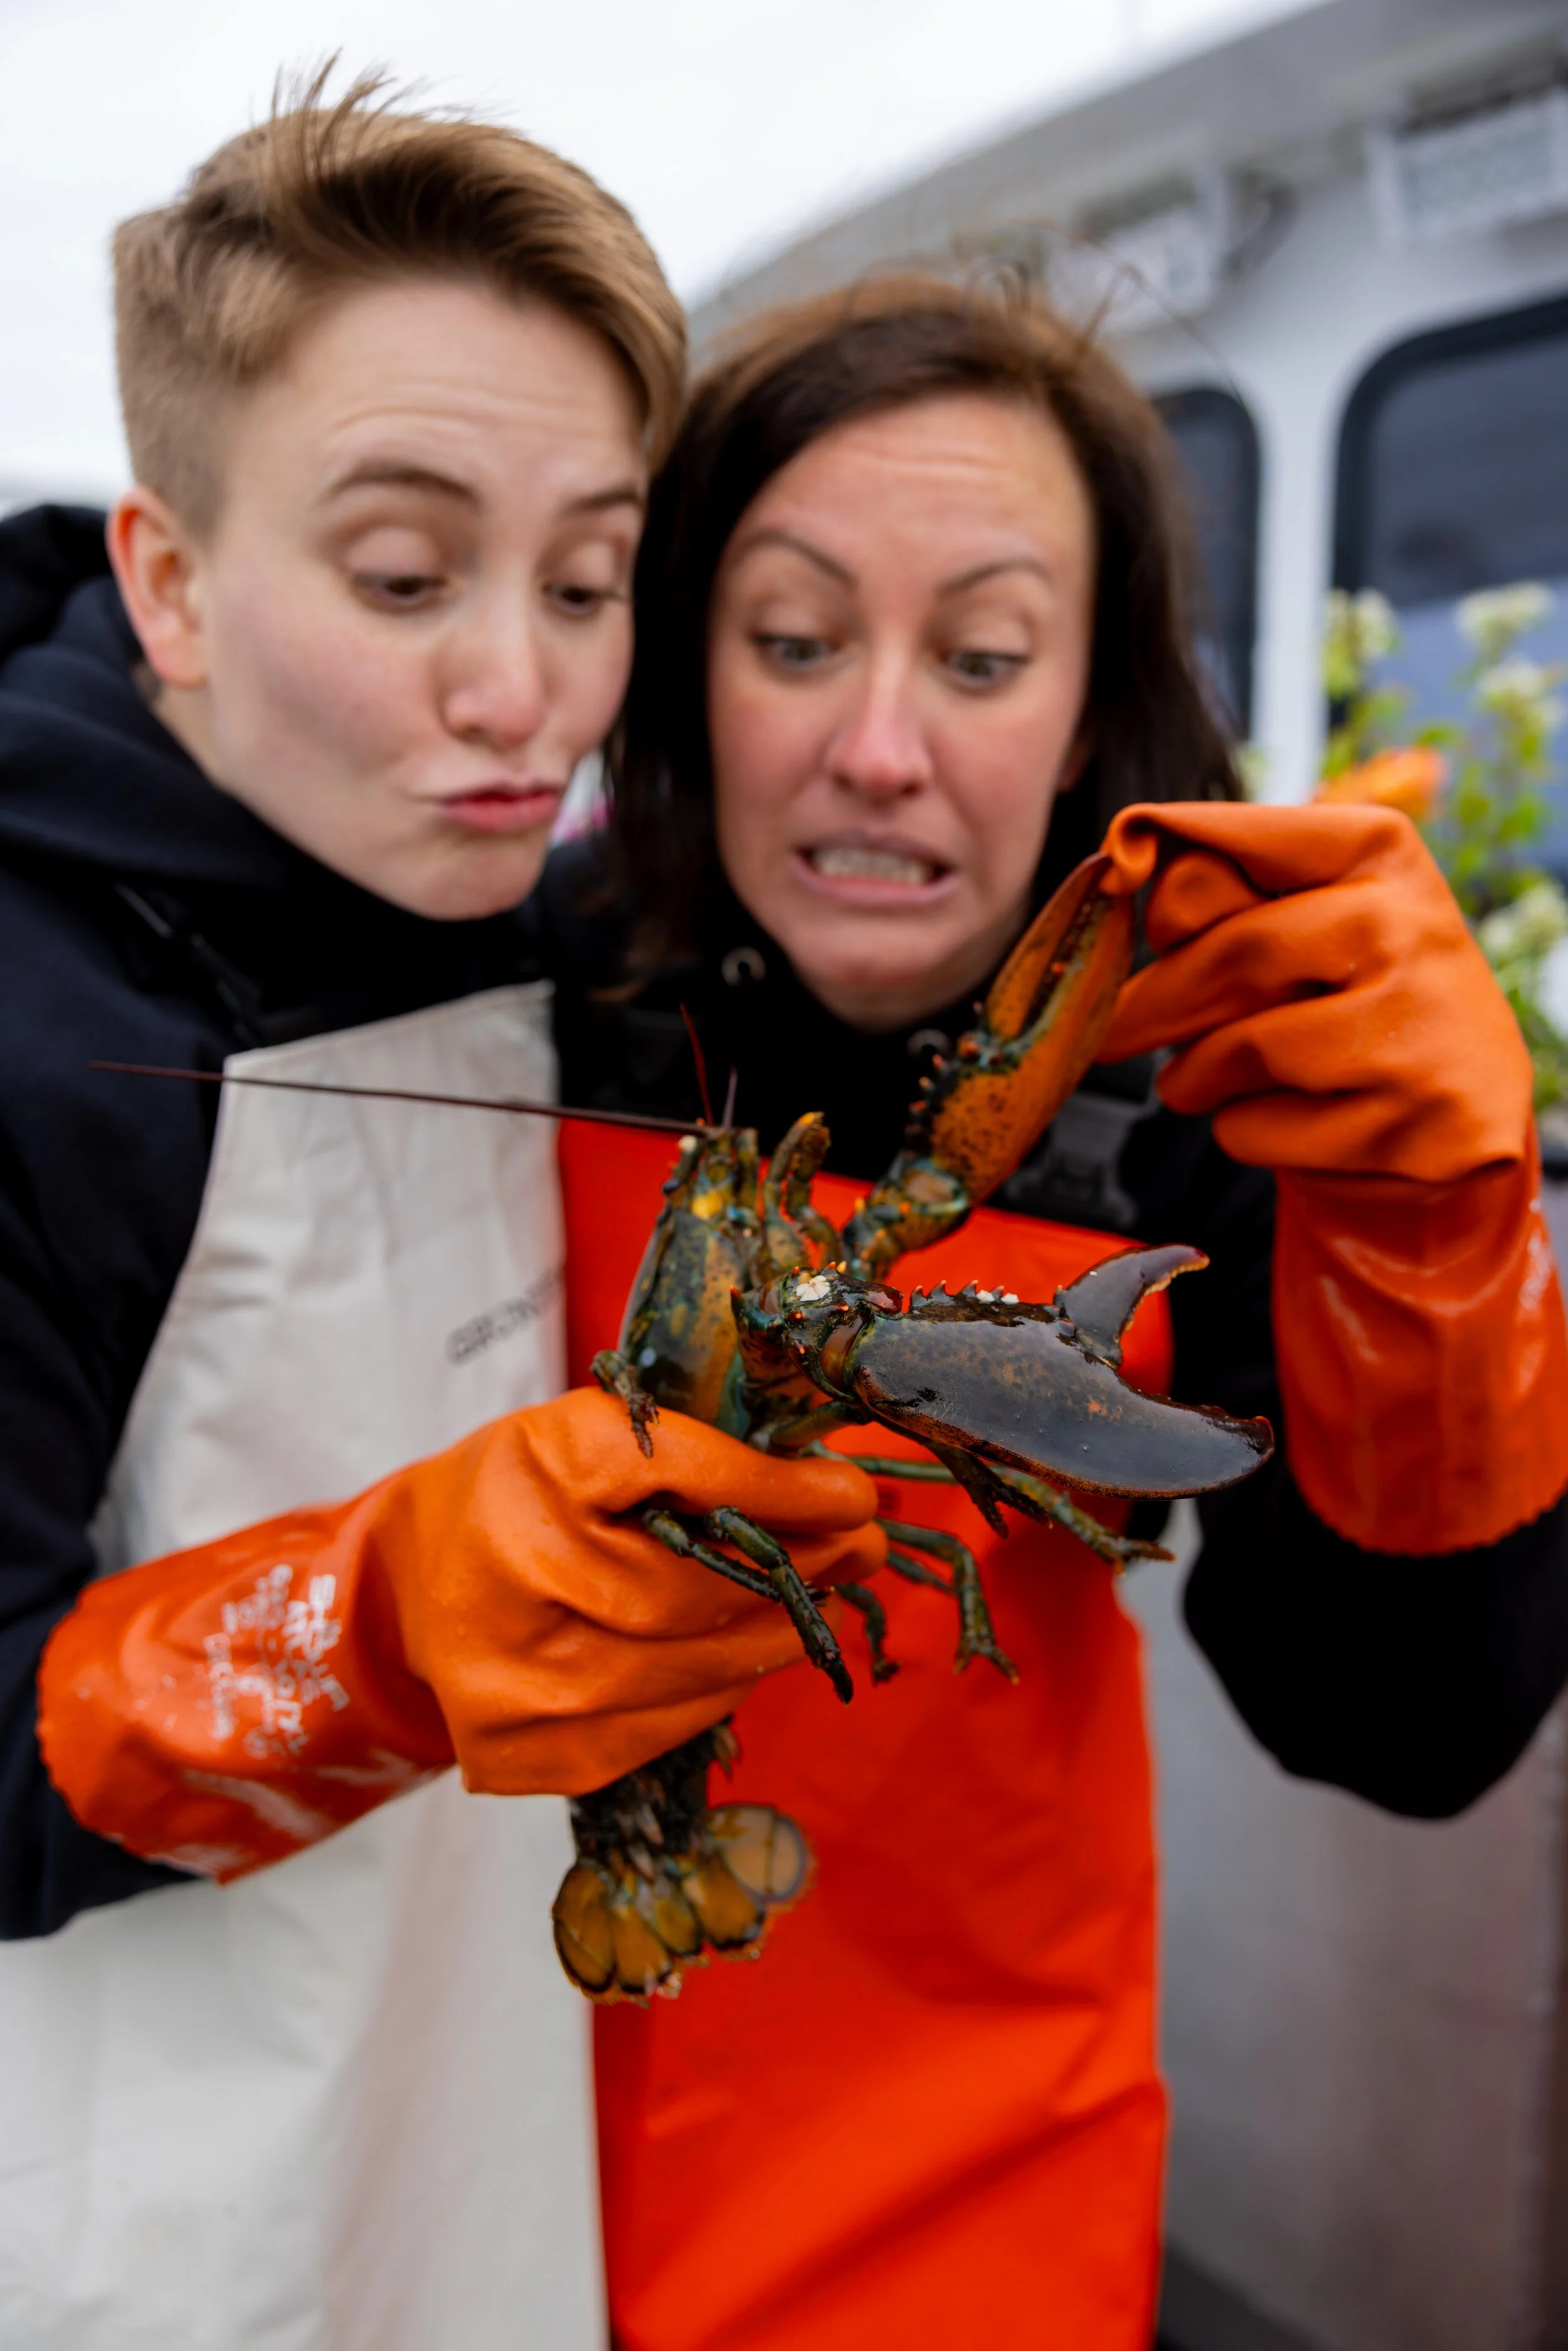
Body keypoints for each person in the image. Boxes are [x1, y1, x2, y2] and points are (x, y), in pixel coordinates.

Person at [535, 275, 1568, 2350]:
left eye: (983, 653)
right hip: (465, 2193)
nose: (880, 747)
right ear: (674, 675)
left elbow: (1400, 1725)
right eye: (793, 640)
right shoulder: (509, 991)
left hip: (965, 2214)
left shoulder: (1198, 1104)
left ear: (1095, 706)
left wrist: (1434, 1247)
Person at [0, 85, 884, 2349]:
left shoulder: (547, 918)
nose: (526, 697)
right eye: (405, 581)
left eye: (589, 583)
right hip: (162, 2242)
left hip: (519, 2150)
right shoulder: (38, 1026)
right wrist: (366, 1622)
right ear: (171, 581)